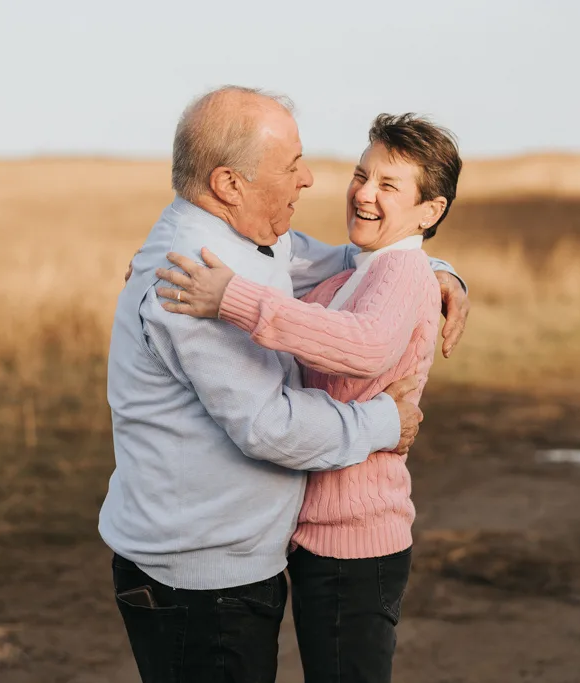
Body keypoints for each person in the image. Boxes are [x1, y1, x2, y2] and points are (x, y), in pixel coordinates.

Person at [100, 86, 469, 683]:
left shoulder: (249, 247)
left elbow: (352, 262)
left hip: (234, 564)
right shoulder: (196, 280)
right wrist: (385, 423)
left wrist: (433, 269)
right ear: (228, 185)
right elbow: (269, 427)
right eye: (291, 165)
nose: (309, 181)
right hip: (201, 580)